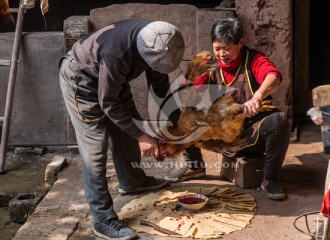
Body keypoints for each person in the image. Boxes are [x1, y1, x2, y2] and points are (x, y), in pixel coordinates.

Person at [59, 19, 185, 240]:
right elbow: (108, 102)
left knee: (131, 126)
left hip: (109, 80)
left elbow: (161, 89)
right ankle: (102, 219)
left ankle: (132, 181)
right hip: (81, 79)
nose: (156, 70)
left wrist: (180, 125)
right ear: (143, 53)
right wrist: (143, 136)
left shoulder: (162, 41)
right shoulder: (117, 54)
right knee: (95, 149)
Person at [166, 18, 290, 200]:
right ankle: (195, 166)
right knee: (179, 112)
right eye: (217, 48)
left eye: (227, 48)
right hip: (220, 135)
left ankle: (270, 179)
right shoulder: (206, 62)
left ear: (240, 43)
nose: (221, 53)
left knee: (279, 121)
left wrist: (257, 96)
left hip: (250, 135)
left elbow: (274, 77)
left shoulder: (254, 59)